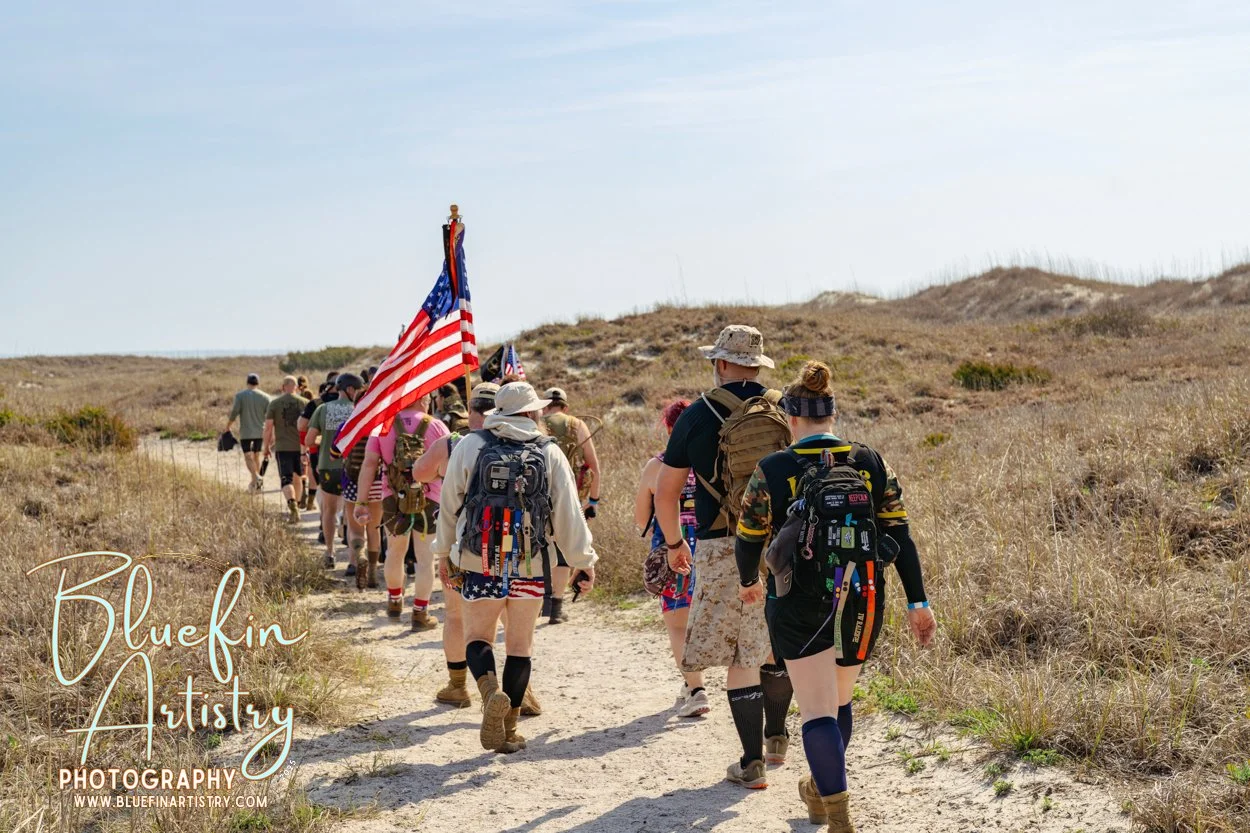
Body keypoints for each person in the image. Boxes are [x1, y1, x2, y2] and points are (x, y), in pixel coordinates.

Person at [736, 361, 937, 832]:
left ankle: (838, 814)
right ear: (832, 414)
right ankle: (822, 790)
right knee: (839, 703)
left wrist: (749, 581)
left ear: (791, 418)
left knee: (816, 709)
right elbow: (900, 535)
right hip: (863, 594)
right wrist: (918, 602)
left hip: (798, 601)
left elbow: (749, 535)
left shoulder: (774, 468)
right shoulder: (870, 461)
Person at [654, 324, 794, 790]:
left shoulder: (698, 414)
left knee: (740, 654)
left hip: (720, 544)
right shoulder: (782, 407)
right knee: (773, 641)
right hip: (782, 541)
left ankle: (751, 762)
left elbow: (668, 490)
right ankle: (777, 736)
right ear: (758, 364)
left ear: (719, 363)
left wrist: (675, 545)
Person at [435, 382, 597, 754]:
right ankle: (507, 730)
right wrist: (583, 561)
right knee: (521, 646)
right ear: (534, 413)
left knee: (479, 638)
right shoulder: (549, 451)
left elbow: (449, 505)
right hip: (529, 562)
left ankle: (490, 692)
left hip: (480, 560)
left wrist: (443, 552)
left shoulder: (471, 445)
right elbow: (568, 514)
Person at [409, 381, 538, 715]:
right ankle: (520, 692)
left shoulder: (453, 442)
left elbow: (419, 473)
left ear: (472, 409)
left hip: (464, 545)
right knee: (516, 625)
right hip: (517, 543)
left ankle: (458, 686)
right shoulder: (525, 440)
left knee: (456, 617)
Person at [633, 399, 708, 718]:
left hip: (674, 547)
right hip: (710, 544)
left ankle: (697, 688)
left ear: (668, 430)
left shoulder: (657, 466)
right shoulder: (711, 462)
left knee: (678, 623)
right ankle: (693, 681)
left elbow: (641, 519)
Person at [354, 395, 449, 628]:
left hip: (393, 498)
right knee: (425, 557)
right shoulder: (435, 425)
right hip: (430, 498)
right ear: (422, 399)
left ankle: (395, 601)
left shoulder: (383, 427)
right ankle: (420, 612)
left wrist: (361, 502)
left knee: (395, 551)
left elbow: (369, 465)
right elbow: (449, 465)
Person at [540, 386, 602, 624]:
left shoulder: (536, 422)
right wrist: (593, 501)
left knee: (543, 547)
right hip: (571, 496)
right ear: (565, 407)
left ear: (545, 405)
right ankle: (556, 607)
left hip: (539, 496)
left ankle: (542, 601)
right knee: (566, 549)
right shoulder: (576, 425)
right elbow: (593, 466)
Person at [304, 373, 365, 570]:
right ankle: (353, 561)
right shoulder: (358, 410)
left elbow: (308, 440)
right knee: (351, 513)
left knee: (329, 511)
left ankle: (329, 552)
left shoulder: (323, 409)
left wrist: (326, 442)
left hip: (327, 467)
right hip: (353, 468)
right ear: (350, 389)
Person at [263, 375, 307, 522]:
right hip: (301, 447)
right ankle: (298, 504)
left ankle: (293, 506)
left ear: (283, 387)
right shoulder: (305, 403)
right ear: (296, 387)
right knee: (298, 477)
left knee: (286, 479)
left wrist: (266, 447)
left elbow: (268, 427)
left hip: (282, 447)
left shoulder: (274, 404)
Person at [225, 373, 272, 492]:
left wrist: (228, 426)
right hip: (260, 431)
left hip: (246, 432)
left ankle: (256, 477)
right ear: (258, 383)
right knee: (256, 456)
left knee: (247, 456)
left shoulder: (240, 396)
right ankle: (255, 485)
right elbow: (270, 416)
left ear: (247, 383)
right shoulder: (265, 397)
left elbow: (235, 412)